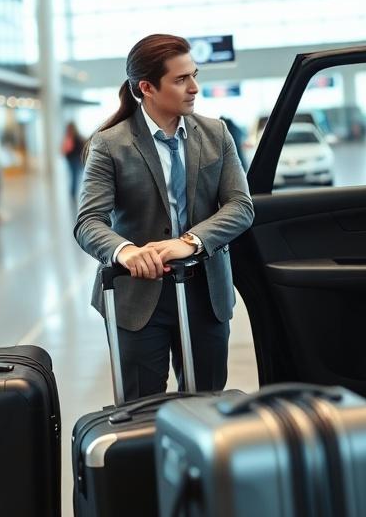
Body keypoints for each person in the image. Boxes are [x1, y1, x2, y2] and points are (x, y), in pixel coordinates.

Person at [74, 34, 254, 401]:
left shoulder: (216, 134)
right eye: (181, 79)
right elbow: (88, 222)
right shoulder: (110, 144)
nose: (194, 88)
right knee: (140, 409)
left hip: (206, 292)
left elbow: (240, 206)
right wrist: (126, 252)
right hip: (137, 297)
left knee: (206, 406)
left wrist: (186, 243)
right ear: (147, 88)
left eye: (194, 75)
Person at [61, 121, 86, 200]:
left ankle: (73, 192)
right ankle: (73, 193)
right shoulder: (69, 137)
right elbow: (65, 149)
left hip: (76, 160)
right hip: (71, 160)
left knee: (75, 176)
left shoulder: (76, 137)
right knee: (74, 176)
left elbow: (81, 149)